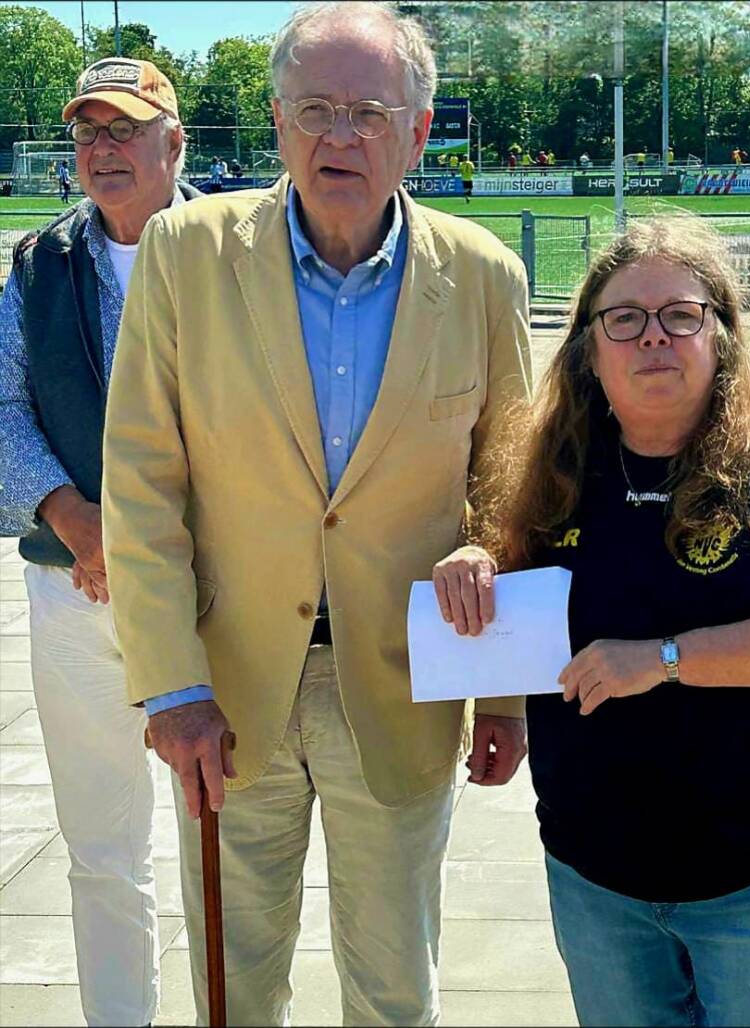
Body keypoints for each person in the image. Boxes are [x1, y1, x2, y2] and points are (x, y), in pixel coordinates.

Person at [101, 4, 531, 1026]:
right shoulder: (184, 253)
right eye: (315, 110)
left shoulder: (483, 277)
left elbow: (512, 486)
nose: (341, 136)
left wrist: (506, 697)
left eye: (369, 113)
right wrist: (171, 685)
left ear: (417, 132)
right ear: (278, 123)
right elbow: (141, 479)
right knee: (234, 985)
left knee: (393, 990)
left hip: (404, 683)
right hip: (226, 694)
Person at [432, 216, 750, 1028]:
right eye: (624, 318)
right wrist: (472, 559)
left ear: (721, 337)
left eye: (680, 314)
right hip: (593, 874)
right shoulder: (549, 471)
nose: (653, 337)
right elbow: (505, 583)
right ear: (588, 351)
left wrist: (663, 658)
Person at [0, 58, 200, 1027]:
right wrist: (68, 515)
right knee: (102, 848)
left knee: (226, 835)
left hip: (212, 592)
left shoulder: (237, 251)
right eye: (87, 132)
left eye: (125, 128)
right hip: (76, 591)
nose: (103, 149)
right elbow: (3, 406)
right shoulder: (40, 263)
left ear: (175, 142)